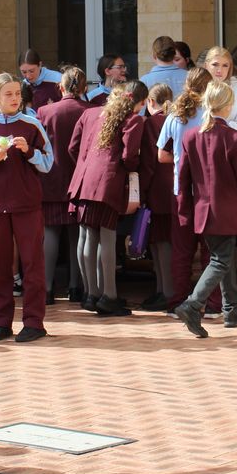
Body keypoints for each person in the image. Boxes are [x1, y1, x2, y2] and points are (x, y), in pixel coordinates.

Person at [0, 73, 54, 342]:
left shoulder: (32, 124)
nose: (15, 98)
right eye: (8, 94)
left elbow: (48, 162)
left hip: (27, 204)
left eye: (18, 93)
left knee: (33, 264)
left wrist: (29, 152)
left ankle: (34, 322)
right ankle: (1, 322)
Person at [172, 81, 237, 337]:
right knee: (221, 260)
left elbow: (183, 179)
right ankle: (192, 305)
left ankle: (231, 309)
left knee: (223, 257)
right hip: (226, 209)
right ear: (228, 105)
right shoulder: (235, 139)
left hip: (202, 209)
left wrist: (184, 211)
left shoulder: (191, 136)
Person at [68, 80, 147, 316]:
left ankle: (91, 294)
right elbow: (129, 157)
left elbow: (72, 147)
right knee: (107, 238)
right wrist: (133, 169)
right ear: (141, 102)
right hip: (108, 181)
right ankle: (109, 296)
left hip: (84, 179)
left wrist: (86, 166)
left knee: (87, 236)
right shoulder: (133, 120)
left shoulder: (90, 113)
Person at [158, 67, 220, 315]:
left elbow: (161, 154)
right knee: (210, 251)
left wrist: (179, 160)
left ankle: (177, 303)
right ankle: (212, 304)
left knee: (182, 251)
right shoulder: (211, 116)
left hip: (180, 189)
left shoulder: (175, 116)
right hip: (207, 190)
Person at [36, 67, 90, 303]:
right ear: (84, 88)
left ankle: (46, 289)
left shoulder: (45, 111)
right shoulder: (90, 110)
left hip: (51, 177)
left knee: (50, 231)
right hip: (80, 179)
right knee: (77, 233)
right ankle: (76, 287)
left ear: (60, 87)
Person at [139, 82, 175, 311]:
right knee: (163, 240)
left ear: (150, 102)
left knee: (160, 242)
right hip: (174, 185)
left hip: (157, 188)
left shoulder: (152, 123)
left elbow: (148, 162)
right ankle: (162, 289)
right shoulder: (177, 119)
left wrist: (141, 191)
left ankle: (166, 291)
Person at [202, 46, 237, 139]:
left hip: (230, 144)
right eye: (215, 65)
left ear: (230, 68)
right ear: (206, 65)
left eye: (225, 65)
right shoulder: (198, 87)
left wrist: (221, 127)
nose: (219, 70)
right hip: (203, 142)